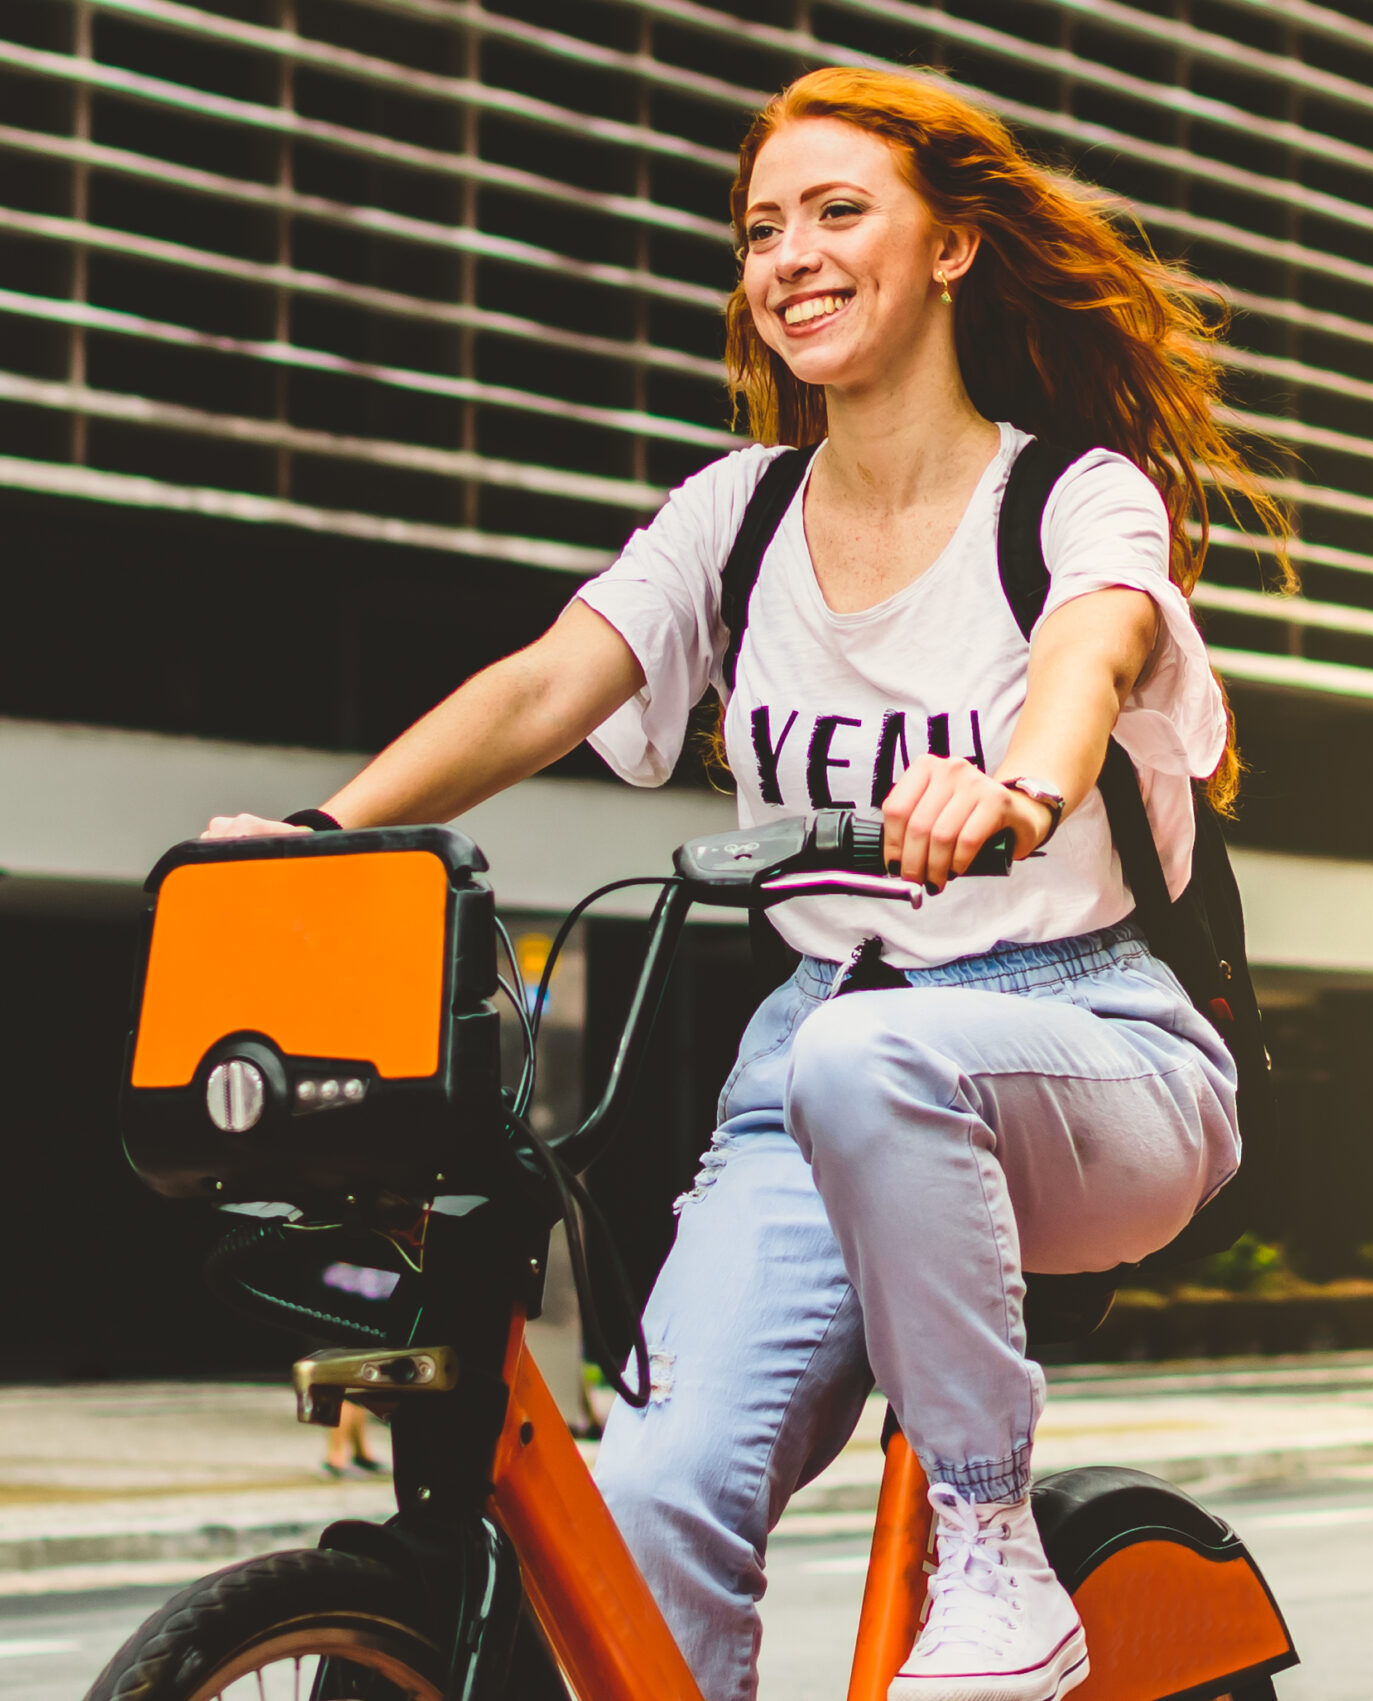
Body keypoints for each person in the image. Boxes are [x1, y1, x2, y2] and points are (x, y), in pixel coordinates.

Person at [202, 64, 1286, 1701]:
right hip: (811, 1065)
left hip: (1089, 1044)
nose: (790, 253)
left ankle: (995, 1557)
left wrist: (1018, 781)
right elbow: (547, 683)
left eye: (839, 211)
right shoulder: (740, 513)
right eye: (761, 226)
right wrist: (319, 828)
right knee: (643, 1504)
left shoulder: (1069, 494)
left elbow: (1096, 639)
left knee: (878, 1056)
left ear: (952, 249)